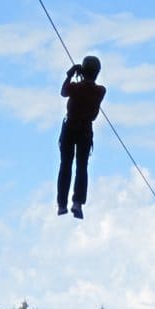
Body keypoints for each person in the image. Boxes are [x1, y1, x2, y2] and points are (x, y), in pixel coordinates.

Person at [56, 55, 106, 219]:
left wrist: (70, 74)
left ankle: (62, 204)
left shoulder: (76, 88)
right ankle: (77, 202)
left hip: (70, 126)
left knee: (66, 165)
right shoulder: (100, 91)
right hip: (85, 129)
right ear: (97, 72)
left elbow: (63, 91)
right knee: (82, 166)